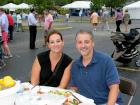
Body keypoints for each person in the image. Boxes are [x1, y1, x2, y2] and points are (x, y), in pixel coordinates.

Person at [70, 30, 123, 105]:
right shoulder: (75, 65)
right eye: (80, 42)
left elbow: (114, 88)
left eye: (87, 42)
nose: (83, 46)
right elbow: (74, 87)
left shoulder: (106, 61)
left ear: (93, 43)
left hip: (108, 102)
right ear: (76, 45)